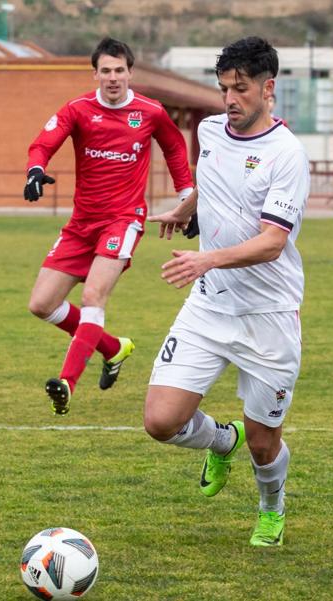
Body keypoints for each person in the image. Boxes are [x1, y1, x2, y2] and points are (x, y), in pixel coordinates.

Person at [145, 36, 309, 547]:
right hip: (211, 304)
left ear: (268, 88)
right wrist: (186, 210)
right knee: (160, 420)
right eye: (223, 89)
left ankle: (270, 505)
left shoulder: (287, 154)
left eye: (240, 89)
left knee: (264, 445)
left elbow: (271, 242)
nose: (229, 99)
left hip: (269, 316)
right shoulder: (211, 130)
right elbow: (209, 183)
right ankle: (221, 439)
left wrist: (205, 259)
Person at [23, 37, 194, 415]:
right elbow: (43, 142)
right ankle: (113, 348)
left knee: (92, 298)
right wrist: (36, 169)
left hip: (123, 219)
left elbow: (174, 147)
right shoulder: (78, 109)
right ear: (95, 74)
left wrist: (187, 196)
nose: (113, 78)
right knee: (41, 304)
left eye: (120, 70)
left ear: (130, 72)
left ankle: (67, 382)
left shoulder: (150, 111)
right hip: (81, 224)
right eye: (106, 71)